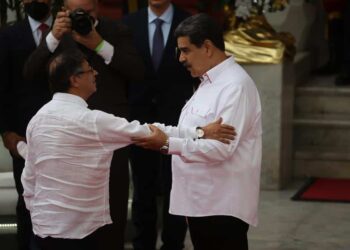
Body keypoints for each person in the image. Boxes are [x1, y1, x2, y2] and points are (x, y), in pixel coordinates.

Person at [20, 49, 236, 250]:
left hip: (42, 231)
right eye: (89, 70)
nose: (95, 73)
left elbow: (29, 178)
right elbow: (149, 132)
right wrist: (199, 133)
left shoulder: (36, 120)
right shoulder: (92, 121)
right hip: (81, 233)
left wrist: (39, 212)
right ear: (74, 80)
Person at [133, 13, 262, 250]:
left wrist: (166, 144)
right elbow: (192, 131)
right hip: (201, 202)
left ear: (208, 47)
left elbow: (220, 148)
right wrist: (155, 131)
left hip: (222, 204)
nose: (181, 58)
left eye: (186, 50)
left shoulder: (235, 86)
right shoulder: (207, 82)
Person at [23, 0, 145, 248]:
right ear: (65, 11)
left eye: (88, 12)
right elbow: (29, 72)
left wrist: (99, 44)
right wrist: (52, 38)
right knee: (70, 208)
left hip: (112, 134)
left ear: (97, 8)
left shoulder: (116, 30)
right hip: (68, 138)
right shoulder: (60, 36)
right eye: (76, 12)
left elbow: (138, 72)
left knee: (115, 205)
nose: (83, 17)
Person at [122, 1, 196, 249]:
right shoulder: (129, 23)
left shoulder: (188, 22)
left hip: (177, 119)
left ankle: (173, 244)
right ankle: (143, 244)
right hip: (139, 120)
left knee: (176, 185)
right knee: (143, 188)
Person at [0, 0, 53, 249]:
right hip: (22, 135)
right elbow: (2, 86)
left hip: (63, 131)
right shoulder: (9, 36)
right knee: (27, 200)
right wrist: (6, 131)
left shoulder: (66, 32)